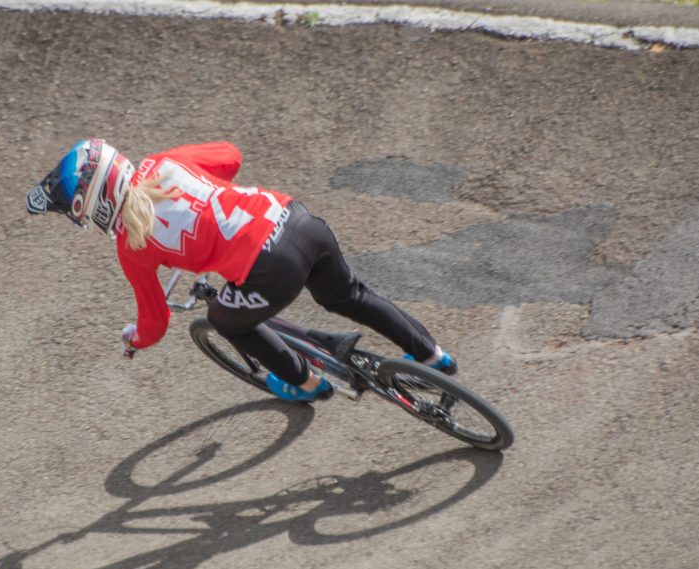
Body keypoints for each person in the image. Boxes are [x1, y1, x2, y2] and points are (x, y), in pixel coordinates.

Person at [25, 138, 455, 402]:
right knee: (347, 295)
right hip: (298, 221)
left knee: (223, 318)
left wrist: (132, 338)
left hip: (270, 270)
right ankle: (433, 356)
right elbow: (230, 157)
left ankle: (305, 382)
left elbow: (154, 323)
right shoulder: (163, 163)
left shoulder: (132, 245)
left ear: (95, 207)